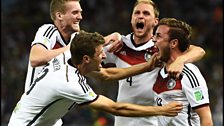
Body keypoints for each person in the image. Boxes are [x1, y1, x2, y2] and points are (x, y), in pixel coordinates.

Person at [8, 31, 183, 126]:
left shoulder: (69, 56)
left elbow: (107, 74)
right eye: (100, 54)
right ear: (86, 59)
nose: (104, 57)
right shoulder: (69, 83)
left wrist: (147, 66)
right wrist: (161, 110)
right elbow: (117, 108)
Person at [103, 0, 206, 125]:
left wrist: (180, 60)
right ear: (131, 19)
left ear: (155, 22)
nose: (140, 16)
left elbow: (199, 51)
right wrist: (103, 40)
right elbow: (85, 57)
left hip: (152, 120)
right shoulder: (119, 44)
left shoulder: (160, 47)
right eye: (137, 13)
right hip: (122, 120)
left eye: (146, 13)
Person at [24, 1, 82, 125]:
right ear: (59, 16)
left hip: (53, 119)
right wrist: (72, 49)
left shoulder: (75, 39)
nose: (80, 17)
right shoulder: (49, 31)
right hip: (32, 117)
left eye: (80, 12)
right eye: (75, 12)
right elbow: (35, 58)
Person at [152, 18, 213, 126]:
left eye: (158, 36)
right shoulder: (159, 73)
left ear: (173, 43)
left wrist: (180, 60)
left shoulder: (188, 73)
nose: (153, 39)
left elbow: (206, 120)